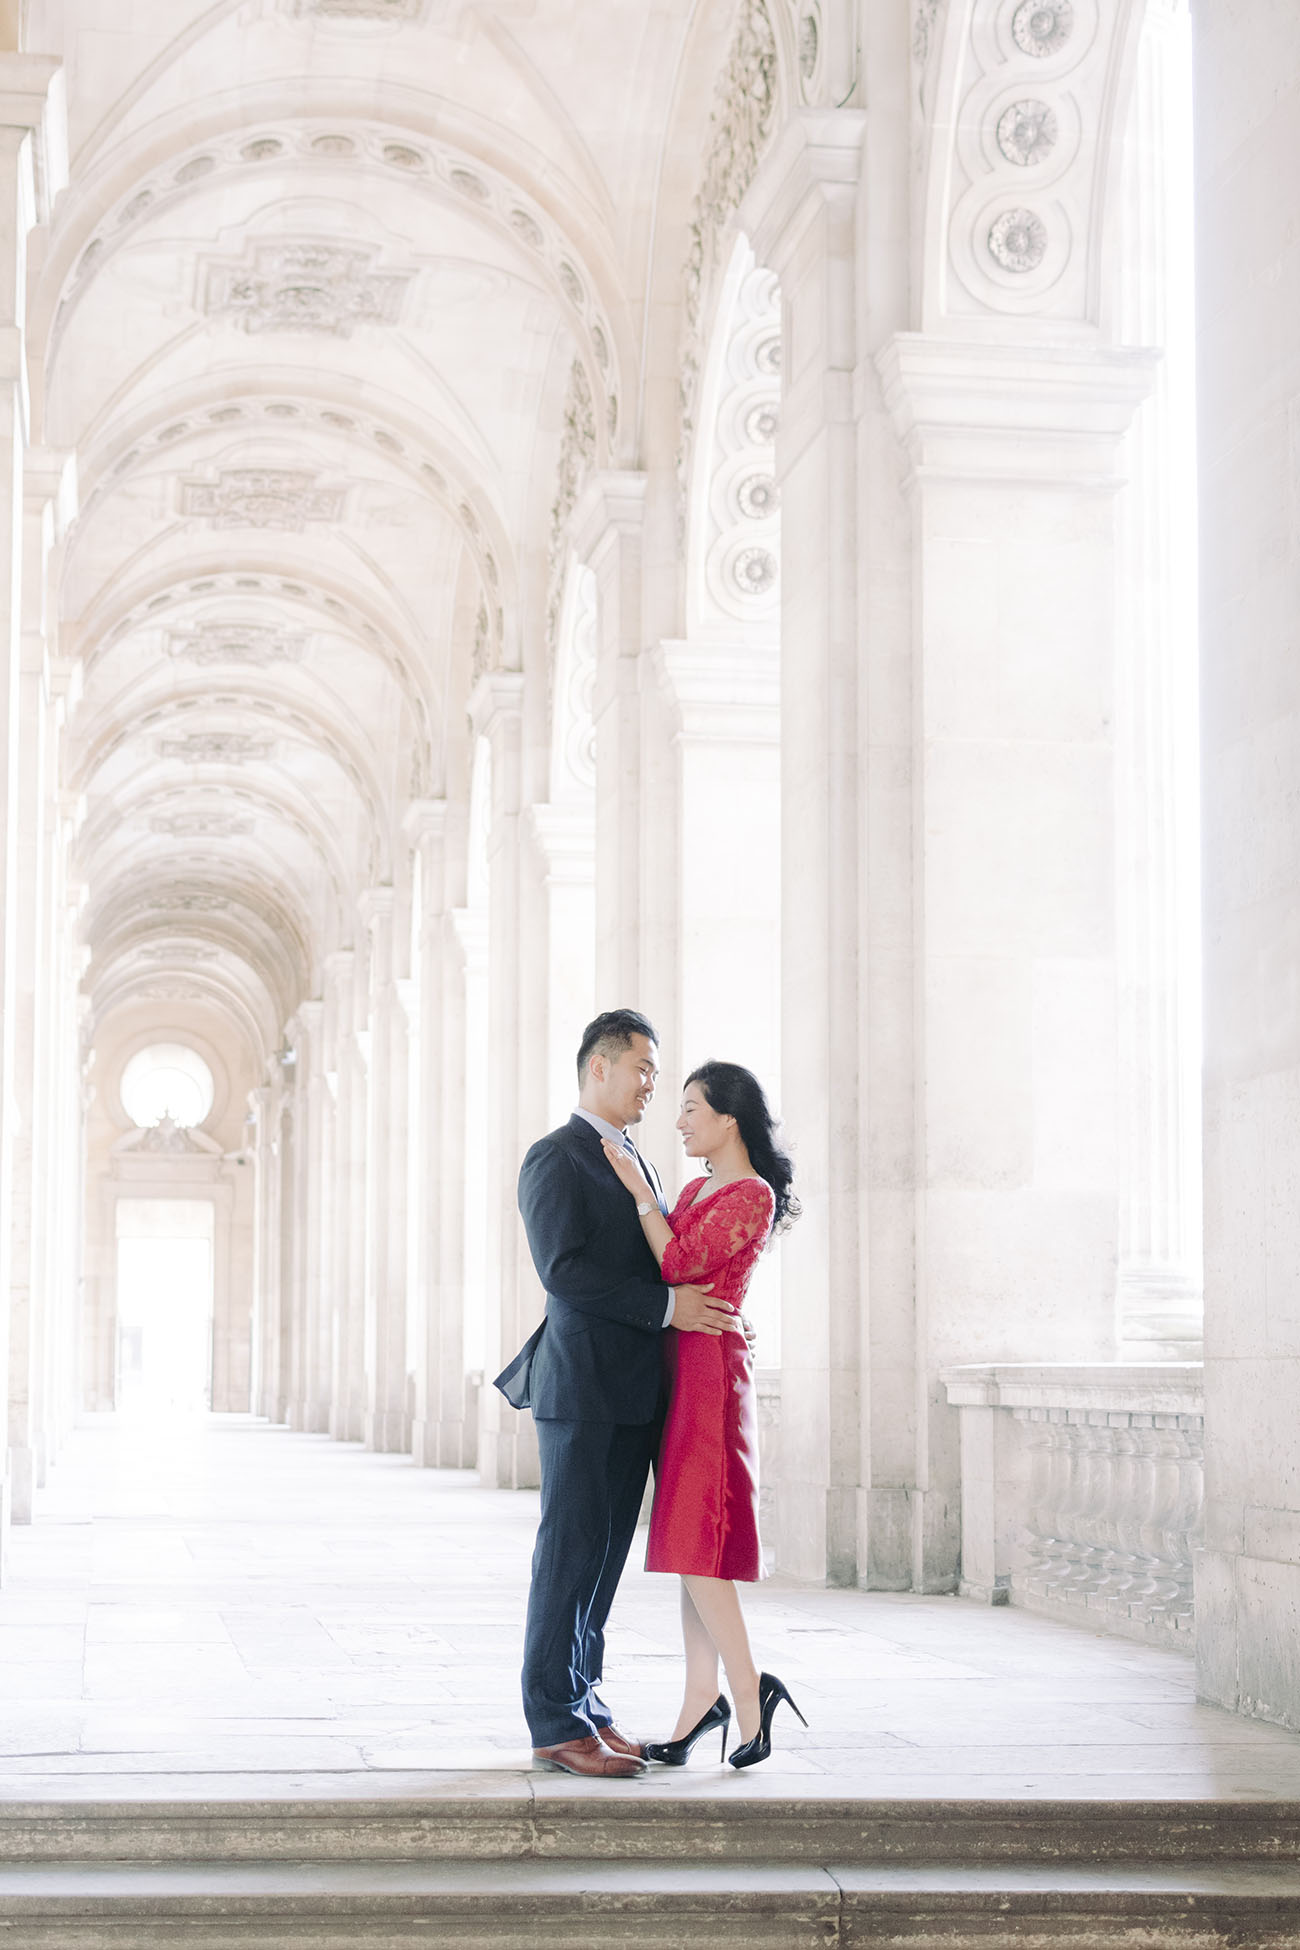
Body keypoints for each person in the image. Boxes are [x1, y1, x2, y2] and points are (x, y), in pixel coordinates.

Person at [495, 1009, 736, 1779]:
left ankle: (587, 1705)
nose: (651, 1086)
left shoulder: (638, 1160)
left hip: (633, 1393)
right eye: (642, 1069)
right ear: (597, 1067)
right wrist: (670, 1310)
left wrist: (708, 1319)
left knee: (602, 1565)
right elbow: (564, 1272)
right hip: (582, 1390)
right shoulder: (555, 1157)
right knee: (567, 1558)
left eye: (657, 1075)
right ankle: (554, 1723)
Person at [601, 1059, 806, 1769]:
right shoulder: (695, 1186)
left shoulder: (750, 1193)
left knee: (700, 1541)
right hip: (681, 1369)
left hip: (711, 1376)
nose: (680, 1119)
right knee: (690, 1547)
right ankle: (699, 1701)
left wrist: (638, 1197)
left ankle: (749, 1694)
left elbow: (682, 1264)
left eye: (692, 1108)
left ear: (729, 1118)